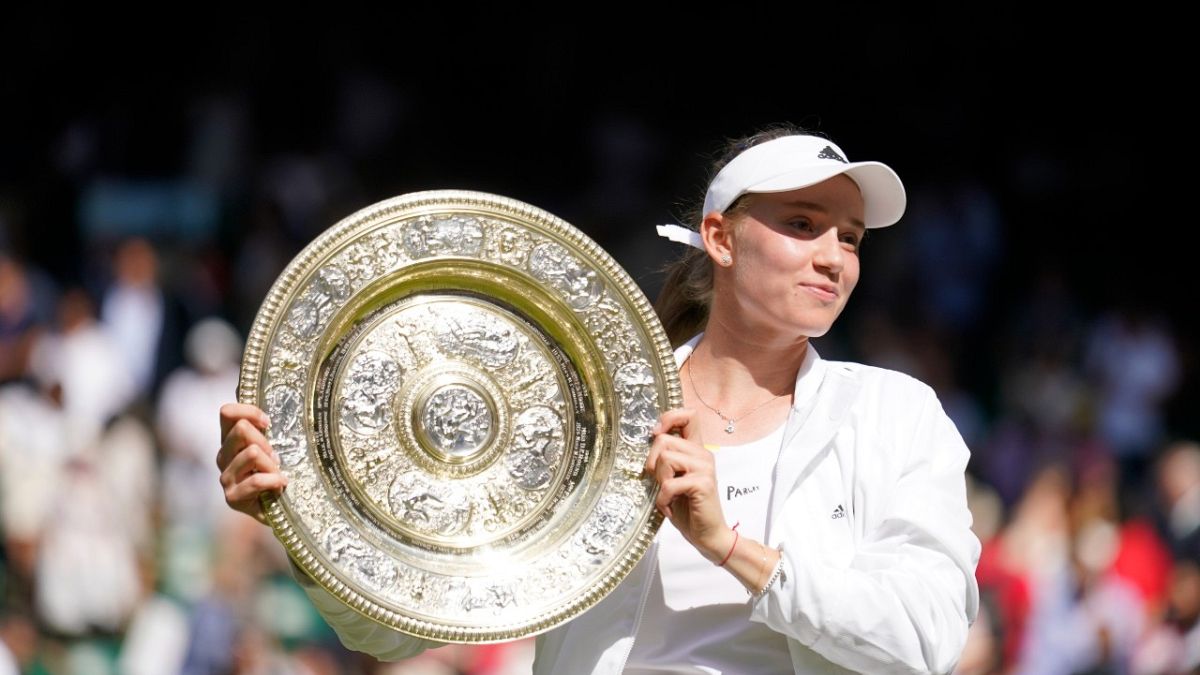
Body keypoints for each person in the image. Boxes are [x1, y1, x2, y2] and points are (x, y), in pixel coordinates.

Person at [218, 124, 981, 674]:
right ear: (719, 237)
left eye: (850, 237)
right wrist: (304, 523)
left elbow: (925, 640)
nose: (833, 258)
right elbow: (396, 636)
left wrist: (733, 548)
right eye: (803, 225)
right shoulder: (584, 414)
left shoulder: (896, 416)